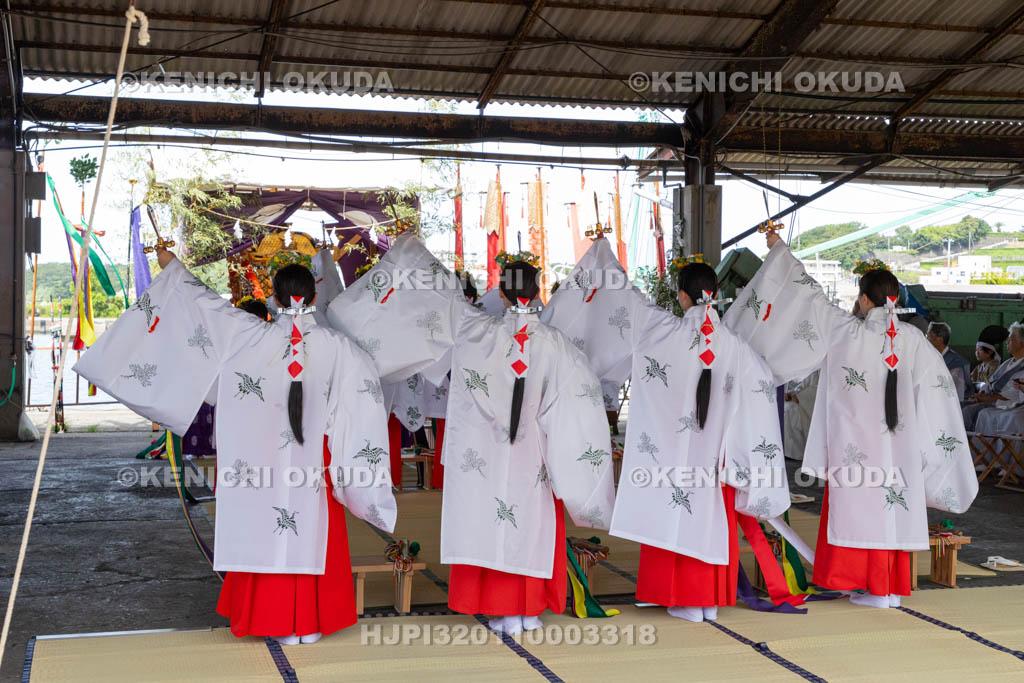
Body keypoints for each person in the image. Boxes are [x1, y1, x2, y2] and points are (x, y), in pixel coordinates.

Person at [74, 248, 397, 644]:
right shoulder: (340, 349)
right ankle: (309, 624)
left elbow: (200, 303)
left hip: (257, 457)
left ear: (274, 298)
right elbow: (362, 405)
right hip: (315, 463)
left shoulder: (245, 337)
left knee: (262, 526)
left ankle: (274, 621)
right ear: (315, 295)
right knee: (311, 529)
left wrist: (169, 265)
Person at [327, 234, 614, 635]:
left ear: (503, 292)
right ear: (537, 292)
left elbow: (433, 301)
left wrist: (409, 248)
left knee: (486, 521)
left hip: (482, 457)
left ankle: (497, 608)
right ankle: (527, 608)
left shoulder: (473, 331)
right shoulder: (558, 347)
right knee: (529, 525)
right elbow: (580, 413)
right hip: (534, 456)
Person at [543, 238, 791, 622]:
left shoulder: (661, 332)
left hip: (670, 460)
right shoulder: (738, 349)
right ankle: (707, 601)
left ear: (683, 297)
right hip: (716, 465)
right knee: (709, 522)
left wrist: (603, 257)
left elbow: (624, 301)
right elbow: (759, 397)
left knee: (674, 515)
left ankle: (684, 600)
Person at [726, 233, 977, 609]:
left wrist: (779, 248)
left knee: (860, 511)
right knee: (894, 507)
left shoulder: (847, 332)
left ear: (864, 299)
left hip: (858, 449)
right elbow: (939, 398)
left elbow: (807, 293)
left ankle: (869, 587)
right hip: (902, 451)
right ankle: (889, 587)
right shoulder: (915, 340)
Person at [963, 322, 1024, 431]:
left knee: (976, 413)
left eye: (1011, 339)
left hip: (1007, 403)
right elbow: (991, 382)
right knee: (961, 406)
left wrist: (989, 398)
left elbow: (1014, 394)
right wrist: (982, 393)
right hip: (993, 399)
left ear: (1022, 343)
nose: (1007, 342)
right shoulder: (1007, 363)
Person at [926, 321, 972, 401]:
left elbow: (955, 394)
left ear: (939, 340)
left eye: (929, 338)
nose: (926, 341)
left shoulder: (956, 363)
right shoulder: (936, 357)